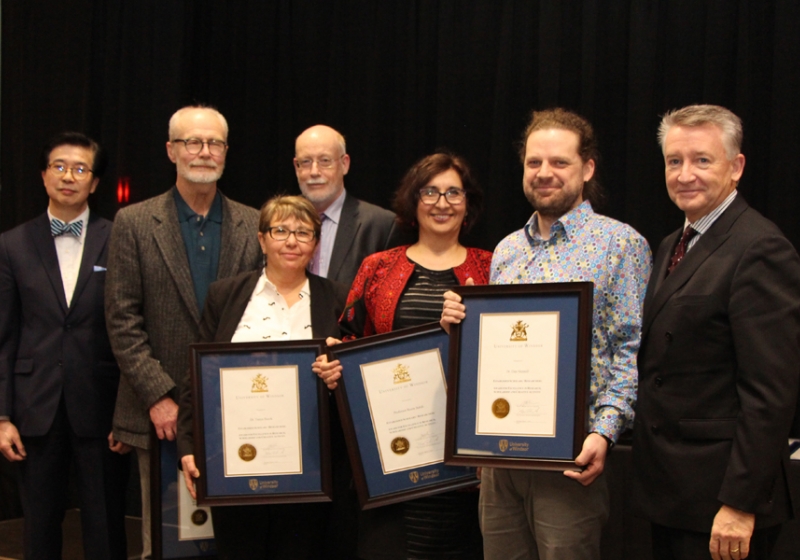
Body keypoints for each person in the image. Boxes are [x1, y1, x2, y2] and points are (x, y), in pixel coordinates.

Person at [441, 108, 652, 560]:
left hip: (571, 459)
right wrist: (461, 327)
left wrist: (605, 432)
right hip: (499, 460)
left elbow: (631, 348)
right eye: (534, 163)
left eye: (560, 163)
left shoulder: (621, 244)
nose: (544, 173)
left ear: (587, 168)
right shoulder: (507, 251)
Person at [632, 104, 800, 560]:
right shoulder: (673, 243)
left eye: (702, 160)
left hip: (723, 503)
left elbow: (771, 392)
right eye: (674, 161)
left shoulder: (760, 247)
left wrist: (740, 503)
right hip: (672, 494)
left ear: (736, 166)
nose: (685, 174)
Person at [317, 152, 493, 560]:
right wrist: (334, 363)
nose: (442, 202)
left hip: (464, 460)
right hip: (389, 454)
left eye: (454, 192)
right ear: (413, 201)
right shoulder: (377, 266)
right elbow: (348, 339)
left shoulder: (490, 267)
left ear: (468, 203)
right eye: (430, 191)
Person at [105, 105, 262, 558]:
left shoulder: (253, 224)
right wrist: (159, 397)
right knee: (169, 542)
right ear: (172, 150)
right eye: (193, 142)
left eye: (214, 143)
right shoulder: (133, 223)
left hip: (234, 412)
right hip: (160, 418)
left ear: (226, 152)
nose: (204, 152)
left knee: (230, 540)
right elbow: (121, 319)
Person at [177, 195, 348, 559]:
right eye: (281, 230)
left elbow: (352, 383)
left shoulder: (336, 298)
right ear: (261, 239)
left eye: (303, 232)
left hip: (312, 469)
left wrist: (339, 373)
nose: (291, 241)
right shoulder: (225, 295)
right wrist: (188, 446)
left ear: (315, 243)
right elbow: (197, 376)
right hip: (236, 465)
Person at [0, 132, 129, 559]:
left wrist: (128, 414)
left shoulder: (120, 238)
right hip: (34, 407)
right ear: (42, 176)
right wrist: (2, 416)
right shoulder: (12, 244)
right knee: (38, 525)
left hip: (102, 405)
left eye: (79, 169)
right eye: (58, 166)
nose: (67, 176)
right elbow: (4, 335)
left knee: (105, 524)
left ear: (94, 183)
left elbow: (131, 327)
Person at [294, 124, 403, 287]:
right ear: (296, 167)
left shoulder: (382, 226)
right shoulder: (276, 222)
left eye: (325, 161)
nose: (314, 171)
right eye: (306, 162)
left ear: (344, 164)